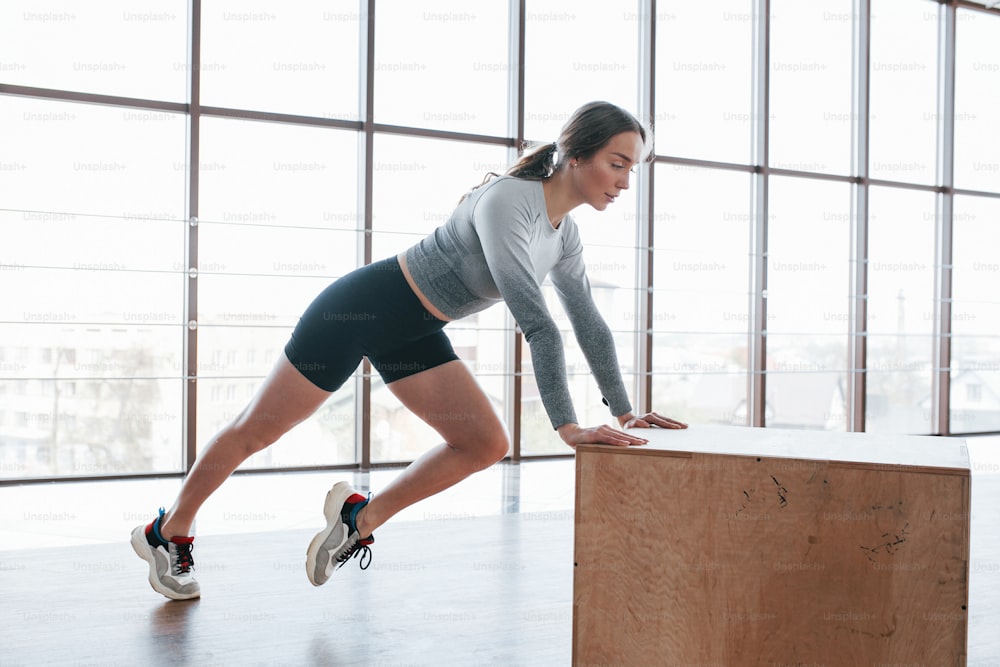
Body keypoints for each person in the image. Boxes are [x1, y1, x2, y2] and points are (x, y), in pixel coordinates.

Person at [130, 100, 688, 601]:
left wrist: (622, 411)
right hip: (361, 308)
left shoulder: (563, 235)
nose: (625, 181)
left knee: (484, 443)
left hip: (415, 330)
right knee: (257, 431)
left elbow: (589, 323)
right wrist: (568, 427)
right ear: (574, 155)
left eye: (632, 168)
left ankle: (359, 517)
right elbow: (539, 325)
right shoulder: (506, 204)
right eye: (617, 164)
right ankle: (170, 529)